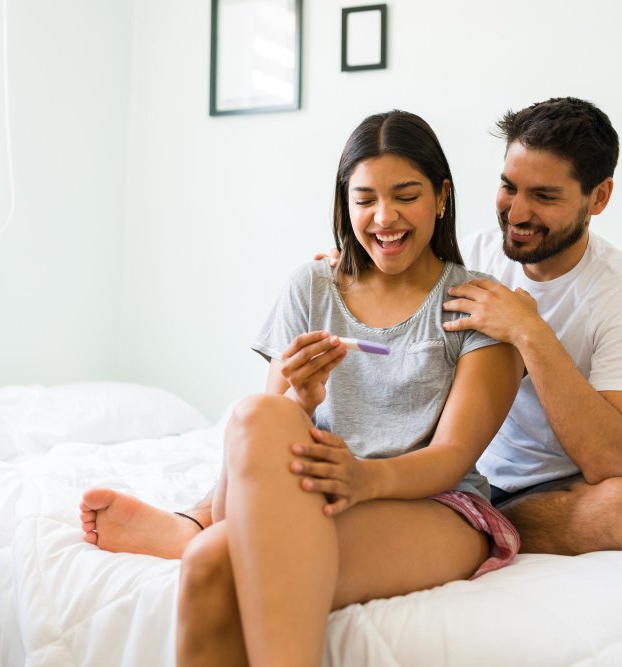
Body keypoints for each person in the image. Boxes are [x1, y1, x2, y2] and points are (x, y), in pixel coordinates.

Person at [79, 110, 524, 665]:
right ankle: (199, 525)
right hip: (316, 490)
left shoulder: (477, 303)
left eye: (405, 195)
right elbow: (274, 430)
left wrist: (363, 478)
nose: (384, 217)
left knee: (218, 560)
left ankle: (192, 525)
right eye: (364, 200)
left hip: (435, 503)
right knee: (246, 439)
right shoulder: (311, 286)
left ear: (441, 196)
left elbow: (452, 455)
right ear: (345, 203)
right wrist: (303, 399)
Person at [441, 97, 622, 555]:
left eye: (544, 196)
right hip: (461, 474)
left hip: (549, 493)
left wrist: (529, 332)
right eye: (509, 188)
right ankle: (472, 522)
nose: (517, 213)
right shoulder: (467, 259)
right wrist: (355, 273)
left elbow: (609, 460)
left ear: (598, 197)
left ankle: (479, 530)